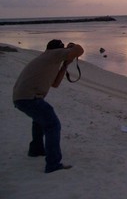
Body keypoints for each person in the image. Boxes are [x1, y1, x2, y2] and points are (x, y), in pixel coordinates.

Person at [13, 39, 84, 173]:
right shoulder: (53, 55)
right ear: (58, 50)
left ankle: (36, 150)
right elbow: (80, 50)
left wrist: (65, 65)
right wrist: (72, 47)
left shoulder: (48, 59)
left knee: (39, 121)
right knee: (53, 125)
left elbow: (55, 84)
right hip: (29, 97)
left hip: (21, 97)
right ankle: (53, 164)